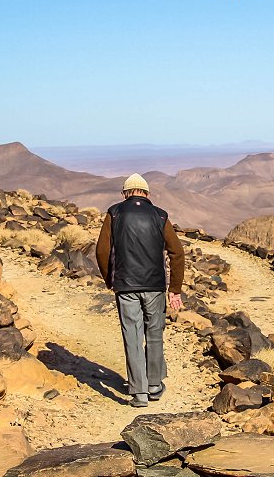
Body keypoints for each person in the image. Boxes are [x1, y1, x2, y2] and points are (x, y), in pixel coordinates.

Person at [95, 173, 185, 407]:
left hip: (126, 286)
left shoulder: (114, 213)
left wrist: (110, 280)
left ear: (125, 193)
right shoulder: (160, 215)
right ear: (146, 194)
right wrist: (174, 288)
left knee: (132, 336)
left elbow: (102, 251)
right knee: (154, 333)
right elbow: (177, 252)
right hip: (155, 286)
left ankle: (138, 393)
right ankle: (154, 385)